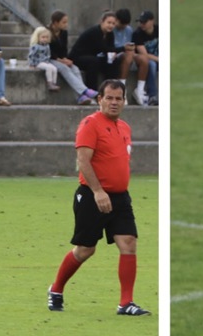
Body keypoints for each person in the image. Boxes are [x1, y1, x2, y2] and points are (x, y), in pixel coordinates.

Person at [47, 79, 150, 317]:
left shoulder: (124, 127)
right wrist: (98, 191)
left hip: (120, 197)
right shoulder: (90, 124)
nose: (114, 103)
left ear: (124, 101)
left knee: (128, 243)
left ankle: (126, 303)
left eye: (118, 98)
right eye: (109, 98)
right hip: (92, 195)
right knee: (85, 250)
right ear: (99, 99)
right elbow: (83, 161)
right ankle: (56, 289)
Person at [46, 10, 98, 104]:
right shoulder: (46, 32)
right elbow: (47, 51)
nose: (66, 24)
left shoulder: (63, 33)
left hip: (60, 59)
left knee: (75, 69)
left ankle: (81, 97)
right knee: (63, 68)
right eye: (64, 22)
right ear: (55, 22)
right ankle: (85, 91)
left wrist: (65, 59)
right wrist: (60, 60)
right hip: (48, 59)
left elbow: (64, 50)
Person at [68, 11, 121, 93]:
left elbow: (111, 49)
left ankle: (110, 88)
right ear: (102, 22)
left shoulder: (110, 34)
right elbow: (104, 49)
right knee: (94, 61)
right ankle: (92, 91)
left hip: (92, 57)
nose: (111, 25)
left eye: (113, 23)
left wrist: (113, 54)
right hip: (77, 57)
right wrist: (124, 48)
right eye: (109, 22)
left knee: (114, 61)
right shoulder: (95, 32)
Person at [130, 10, 159, 106]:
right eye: (140, 22)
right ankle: (152, 96)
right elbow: (144, 55)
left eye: (144, 22)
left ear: (152, 21)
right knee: (152, 64)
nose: (142, 24)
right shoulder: (137, 34)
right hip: (144, 62)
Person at [27, 27, 60, 92]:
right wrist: (31, 64)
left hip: (45, 62)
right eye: (43, 37)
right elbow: (31, 56)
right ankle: (49, 83)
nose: (45, 39)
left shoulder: (47, 46)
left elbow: (48, 55)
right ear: (38, 37)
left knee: (54, 68)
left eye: (46, 37)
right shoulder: (35, 46)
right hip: (38, 62)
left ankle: (54, 83)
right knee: (49, 68)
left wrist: (47, 61)